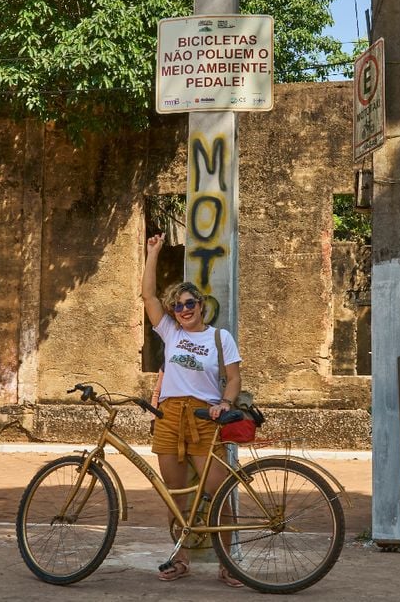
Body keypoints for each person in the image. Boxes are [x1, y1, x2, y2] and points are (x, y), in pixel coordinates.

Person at [142, 233, 244, 588]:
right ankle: (181, 559)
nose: (183, 310)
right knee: (177, 498)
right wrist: (153, 251)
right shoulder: (170, 332)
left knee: (218, 494)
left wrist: (226, 403)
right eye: (178, 307)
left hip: (205, 418)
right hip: (170, 418)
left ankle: (229, 563)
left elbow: (233, 379)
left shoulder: (220, 338)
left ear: (200, 304)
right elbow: (148, 296)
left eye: (189, 304)